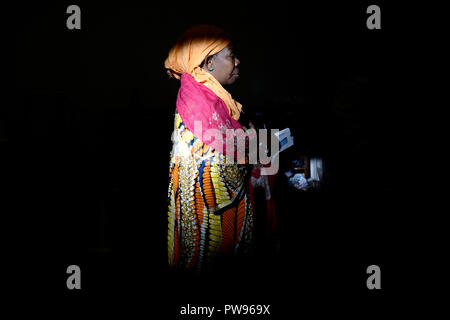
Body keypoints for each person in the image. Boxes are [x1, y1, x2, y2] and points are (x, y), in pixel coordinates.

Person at [164, 25, 254, 272]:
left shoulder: (210, 100)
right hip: (210, 236)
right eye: (231, 55)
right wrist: (253, 151)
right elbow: (215, 177)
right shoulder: (199, 106)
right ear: (209, 62)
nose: (238, 62)